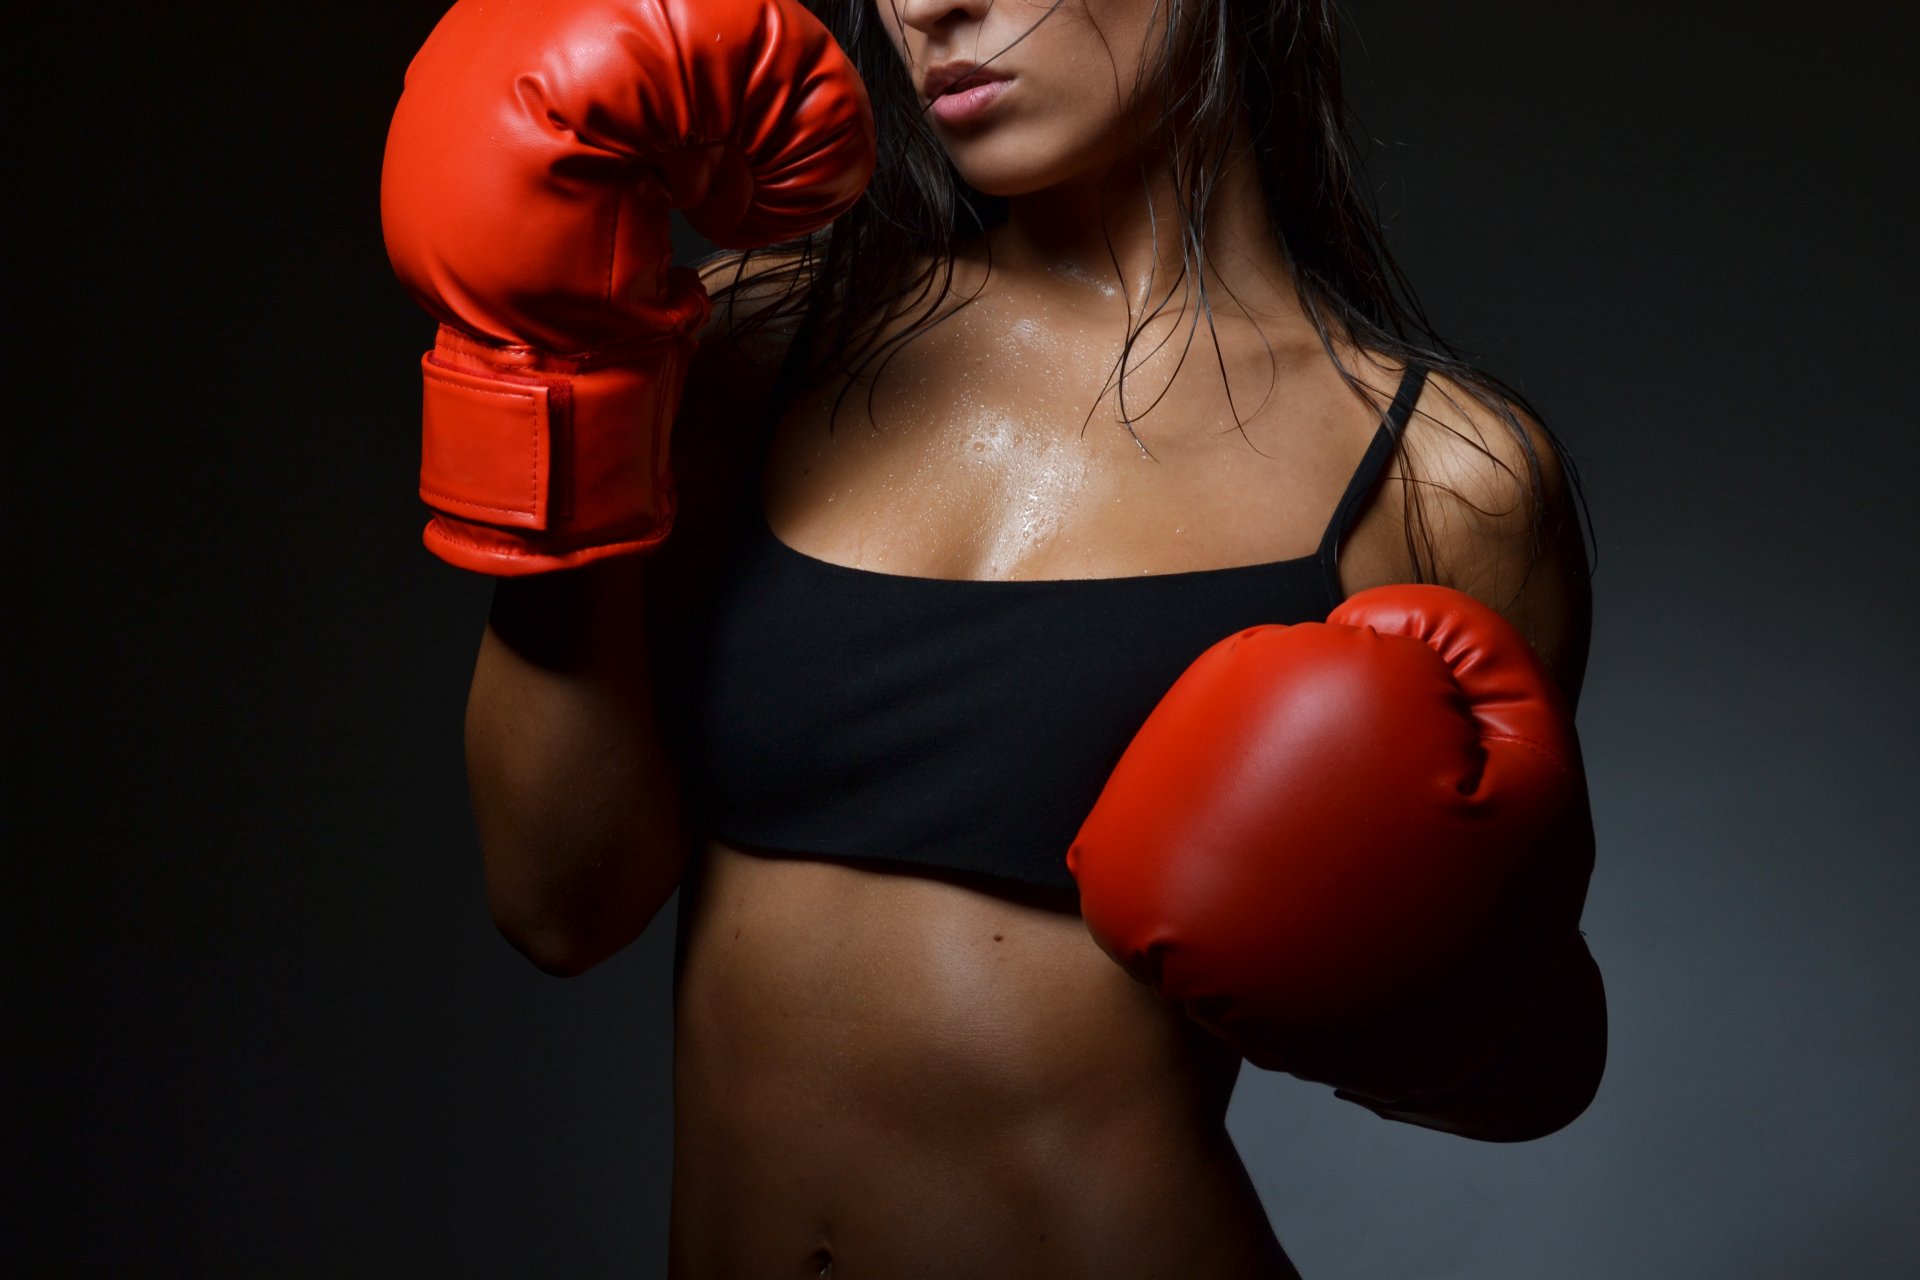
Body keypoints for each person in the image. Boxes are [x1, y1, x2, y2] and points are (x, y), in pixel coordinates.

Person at [382, 0, 1607, 1274]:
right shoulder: (760, 342)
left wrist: (1421, 994)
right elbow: (555, 902)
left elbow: (1532, 1071)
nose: (926, 8)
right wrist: (544, 379)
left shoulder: (1436, 479)